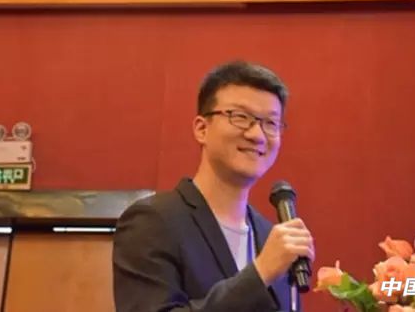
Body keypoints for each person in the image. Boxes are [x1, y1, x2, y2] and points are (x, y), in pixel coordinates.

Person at [113, 60, 315, 312]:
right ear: (201, 129)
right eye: (240, 117)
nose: (257, 135)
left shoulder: (270, 237)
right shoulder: (153, 221)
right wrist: (260, 273)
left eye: (271, 123)